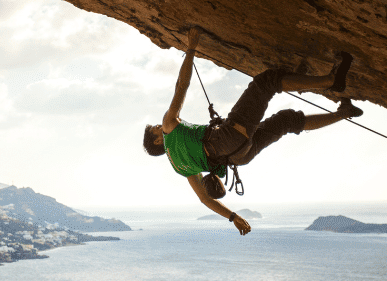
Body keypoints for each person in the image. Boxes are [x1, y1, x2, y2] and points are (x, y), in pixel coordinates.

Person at [143, 28, 363, 236]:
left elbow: (205, 199)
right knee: (266, 83)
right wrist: (191, 48)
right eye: (155, 128)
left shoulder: (180, 167)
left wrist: (233, 217)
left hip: (239, 157)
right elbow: (181, 86)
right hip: (228, 138)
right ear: (156, 140)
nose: (158, 125)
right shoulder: (169, 125)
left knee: (286, 121)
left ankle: (343, 113)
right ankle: (331, 80)